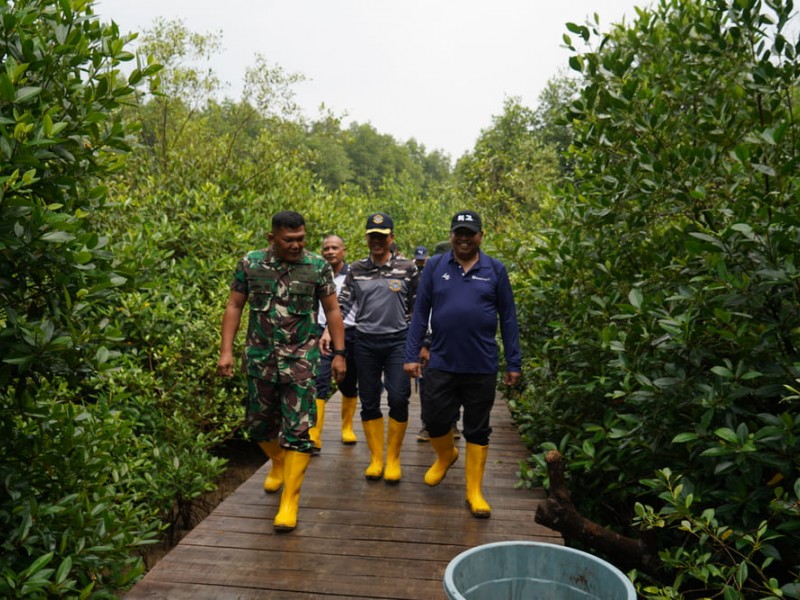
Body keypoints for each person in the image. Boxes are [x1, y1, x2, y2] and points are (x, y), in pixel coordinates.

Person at [217, 210, 346, 532]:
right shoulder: (251, 264)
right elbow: (234, 305)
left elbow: (332, 309)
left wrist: (340, 354)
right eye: (289, 240)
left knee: (299, 433)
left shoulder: (316, 266)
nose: (297, 245)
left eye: (301, 238)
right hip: (260, 360)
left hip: (301, 361)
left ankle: (290, 501)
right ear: (271, 238)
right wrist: (226, 351)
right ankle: (277, 461)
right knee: (258, 427)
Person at [404, 210, 522, 518]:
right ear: (451, 234)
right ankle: (445, 456)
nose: (464, 238)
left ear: (481, 236)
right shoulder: (434, 266)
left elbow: (507, 318)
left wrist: (513, 362)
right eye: (459, 232)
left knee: (477, 428)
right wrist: (411, 354)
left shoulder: (495, 270)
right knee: (435, 418)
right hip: (442, 359)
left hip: (481, 363)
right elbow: (420, 313)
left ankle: (474, 492)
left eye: (470, 232)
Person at [338, 212, 419, 483]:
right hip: (365, 342)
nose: (377, 241)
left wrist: (420, 344)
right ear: (366, 238)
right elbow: (342, 305)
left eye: (382, 236)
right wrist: (328, 332)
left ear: (391, 238)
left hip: (398, 341)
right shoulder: (356, 269)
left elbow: (418, 307)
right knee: (369, 399)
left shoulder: (407, 268)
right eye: (373, 236)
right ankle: (376, 459)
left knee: (398, 397)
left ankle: (393, 458)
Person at [309, 234, 359, 452]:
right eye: (326, 248)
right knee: (319, 380)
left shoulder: (354, 276)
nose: (330, 251)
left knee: (348, 382)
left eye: (334, 248)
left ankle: (347, 427)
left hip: (351, 333)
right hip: (322, 334)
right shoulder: (317, 275)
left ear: (343, 251)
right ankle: (314, 436)